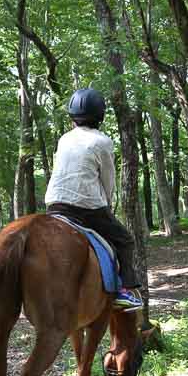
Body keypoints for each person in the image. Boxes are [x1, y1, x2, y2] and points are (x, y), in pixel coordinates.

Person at [44, 88, 142, 311]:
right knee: (125, 239)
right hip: (86, 207)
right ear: (100, 115)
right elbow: (108, 179)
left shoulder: (64, 139)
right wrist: (107, 204)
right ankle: (124, 292)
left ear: (72, 116)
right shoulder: (103, 141)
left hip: (54, 204)